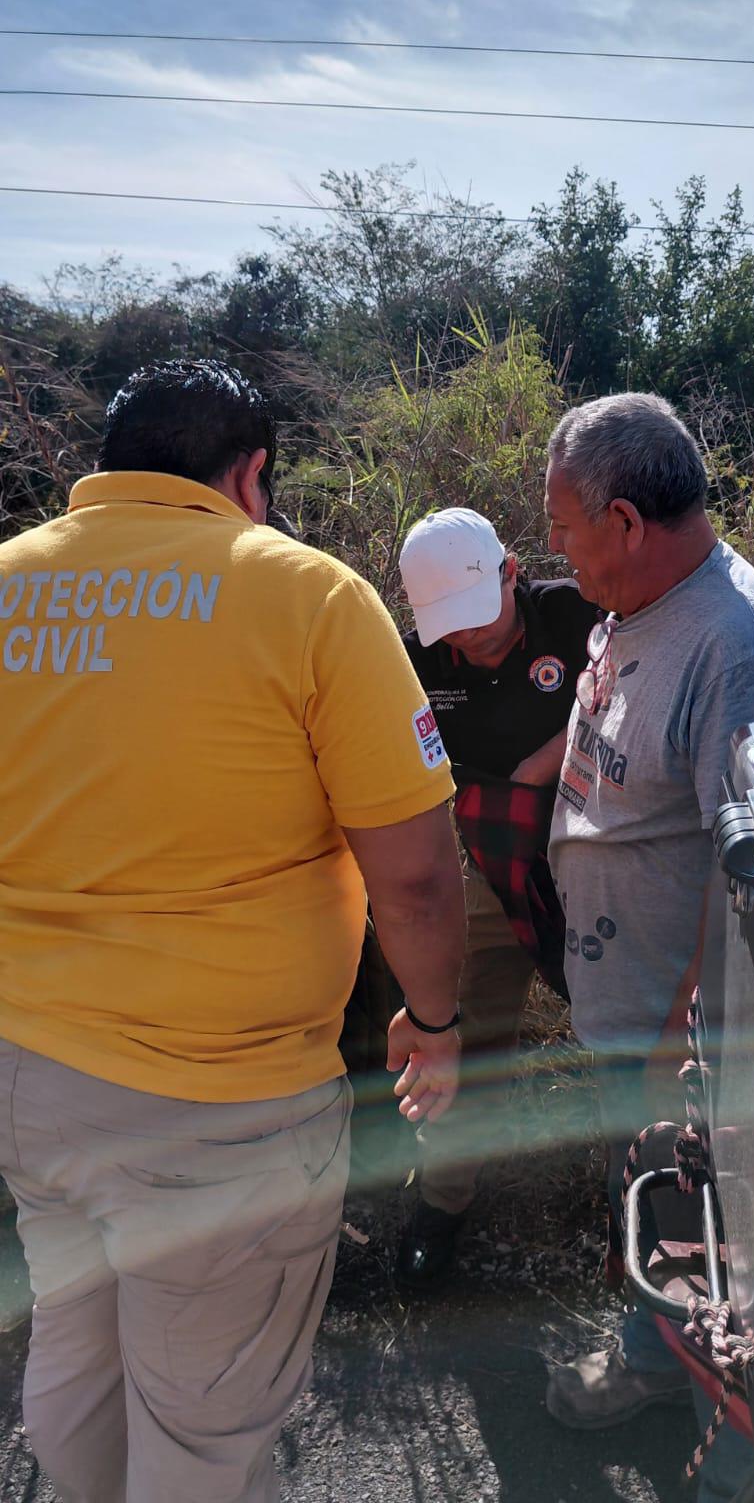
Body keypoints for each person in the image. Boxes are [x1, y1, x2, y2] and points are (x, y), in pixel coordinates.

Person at [0, 359, 466, 1503]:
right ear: (251, 473)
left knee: (76, 1331)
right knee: (207, 1429)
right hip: (223, 1103)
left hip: (29, 1075)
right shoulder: (306, 594)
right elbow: (413, 876)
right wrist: (437, 1021)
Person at [541, 393, 754, 1502]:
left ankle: (747, 1462)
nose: (554, 551)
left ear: (623, 519)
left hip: (694, 1042)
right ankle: (659, 1362)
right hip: (632, 1008)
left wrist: (681, 1043)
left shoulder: (741, 647)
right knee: (657, 1214)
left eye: (563, 525)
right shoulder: (635, 600)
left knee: (730, 1254)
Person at [394, 507, 596, 1287]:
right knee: (464, 1034)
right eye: (448, 627)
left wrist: (546, 760)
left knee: (629, 1025)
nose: (464, 642)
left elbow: (629, 698)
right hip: (488, 863)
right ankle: (442, 1201)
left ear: (511, 571)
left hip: (594, 847)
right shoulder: (417, 662)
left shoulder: (575, 616)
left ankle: (652, 1210)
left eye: (476, 621)